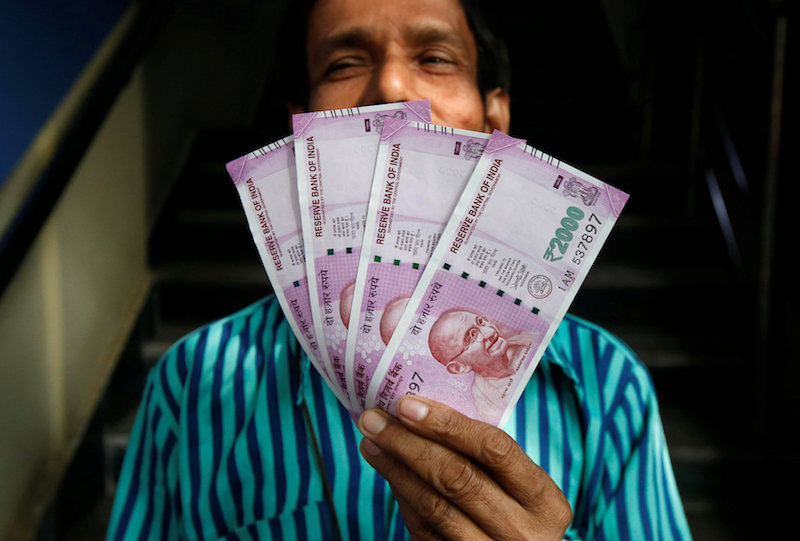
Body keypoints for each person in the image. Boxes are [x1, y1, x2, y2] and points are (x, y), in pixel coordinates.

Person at [106, 0, 693, 539]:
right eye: (342, 64)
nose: (389, 87)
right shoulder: (190, 382)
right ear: (301, 128)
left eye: (435, 58)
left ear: (496, 116)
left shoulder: (609, 384)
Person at [428, 309, 538, 421]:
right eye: (472, 336)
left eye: (480, 321)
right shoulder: (486, 401)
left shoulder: (528, 340)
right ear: (459, 367)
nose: (489, 332)